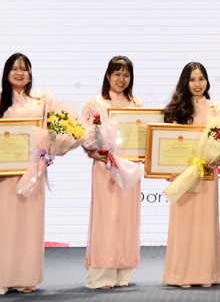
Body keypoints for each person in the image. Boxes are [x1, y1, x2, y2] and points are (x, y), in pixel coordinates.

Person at [0, 53, 53, 295]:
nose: (20, 73)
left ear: (30, 73)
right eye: (15, 68)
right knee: (3, 225)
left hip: (32, 171)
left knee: (29, 226)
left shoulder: (42, 100)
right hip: (4, 174)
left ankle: (25, 278)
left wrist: (49, 152)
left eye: (24, 68)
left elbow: (49, 133)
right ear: (6, 73)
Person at [161, 62, 220, 288]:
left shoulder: (217, 108)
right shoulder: (174, 109)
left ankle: (207, 274)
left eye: (201, 79)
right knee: (184, 225)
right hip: (182, 176)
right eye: (192, 80)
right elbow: (166, 144)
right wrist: (167, 167)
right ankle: (181, 275)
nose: (198, 84)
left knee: (206, 224)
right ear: (184, 82)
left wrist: (217, 157)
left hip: (207, 175)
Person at [82, 56, 143, 289]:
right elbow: (84, 134)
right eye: (117, 74)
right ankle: (102, 275)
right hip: (105, 167)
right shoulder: (95, 103)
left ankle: (123, 274)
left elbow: (144, 134)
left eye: (126, 75)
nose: (121, 79)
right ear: (108, 75)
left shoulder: (137, 104)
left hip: (130, 168)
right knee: (106, 219)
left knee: (127, 219)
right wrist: (91, 151)